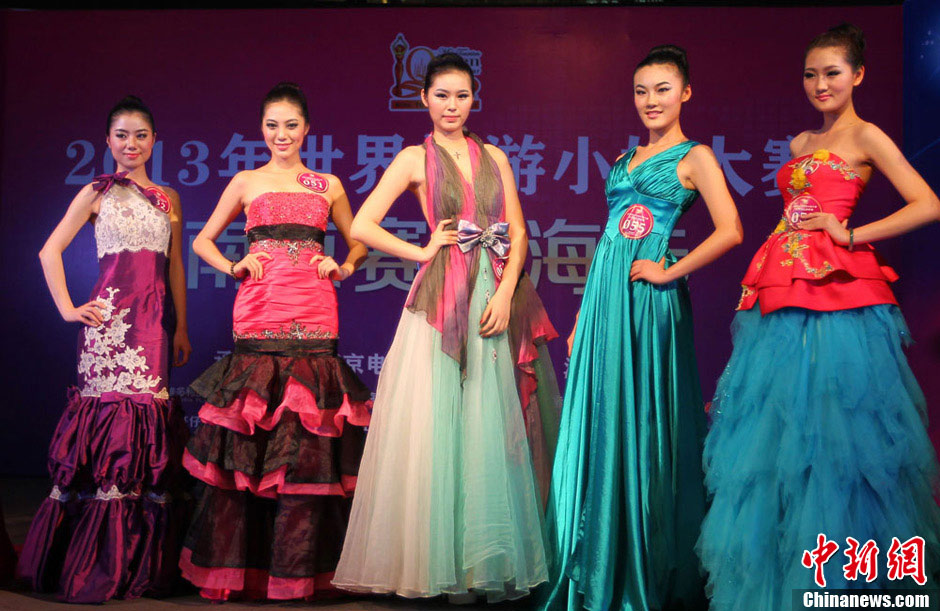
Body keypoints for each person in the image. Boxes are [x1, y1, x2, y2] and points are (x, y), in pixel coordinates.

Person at [697, 24, 940, 610]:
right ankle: (784, 584)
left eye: (832, 72)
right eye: (810, 74)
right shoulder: (799, 141)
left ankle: (845, 589)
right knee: (778, 431)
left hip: (839, 291)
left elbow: (928, 204)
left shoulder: (867, 136)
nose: (820, 84)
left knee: (840, 428)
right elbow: (792, 215)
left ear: (858, 75)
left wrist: (851, 232)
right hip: (782, 289)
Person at [332, 53, 559, 603]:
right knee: (440, 431)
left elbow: (521, 233)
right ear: (425, 99)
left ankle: (487, 567)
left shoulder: (496, 156)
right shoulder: (414, 158)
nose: (452, 105)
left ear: (473, 99)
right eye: (442, 95)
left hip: (494, 295)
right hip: (442, 296)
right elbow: (362, 224)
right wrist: (421, 249)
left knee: (493, 432)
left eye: (461, 96)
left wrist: (505, 294)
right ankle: (441, 566)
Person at [541, 45, 743, 611]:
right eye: (640, 91)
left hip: (649, 303)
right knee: (598, 421)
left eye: (662, 89)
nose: (650, 100)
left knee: (643, 422)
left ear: (685, 93)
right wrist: (583, 315)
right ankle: (591, 559)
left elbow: (730, 228)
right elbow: (608, 242)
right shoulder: (624, 157)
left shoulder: (696, 155)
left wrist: (669, 269)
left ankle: (636, 563)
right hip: (605, 301)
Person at [179, 82, 372, 601]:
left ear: (307, 128)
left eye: (291, 125)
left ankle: (299, 573)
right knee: (250, 445)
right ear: (261, 129)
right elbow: (201, 238)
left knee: (307, 447)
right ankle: (246, 572)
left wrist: (345, 263)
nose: (281, 134)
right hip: (259, 311)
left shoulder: (326, 184)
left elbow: (359, 239)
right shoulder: (246, 181)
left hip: (313, 311)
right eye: (271, 125)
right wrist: (233, 264)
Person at [20, 95, 191, 603]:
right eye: (121, 135)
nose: (131, 144)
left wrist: (181, 329)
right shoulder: (96, 192)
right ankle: (94, 563)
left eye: (140, 135)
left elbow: (176, 267)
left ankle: (141, 564)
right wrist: (69, 309)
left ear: (154, 141)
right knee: (109, 431)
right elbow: (49, 250)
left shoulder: (168, 197)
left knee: (149, 435)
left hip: (156, 326)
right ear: (108, 141)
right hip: (111, 328)